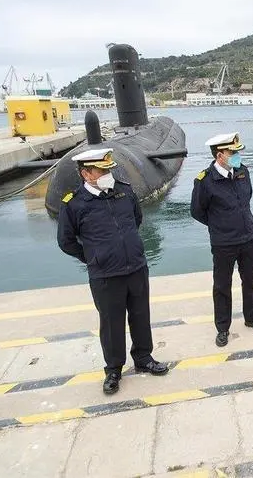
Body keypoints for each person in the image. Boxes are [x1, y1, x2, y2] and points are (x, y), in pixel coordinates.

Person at [57, 148, 168, 395]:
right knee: (111, 323)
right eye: (102, 170)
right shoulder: (74, 204)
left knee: (140, 315)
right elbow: (66, 241)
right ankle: (114, 369)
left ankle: (143, 357)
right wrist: (92, 257)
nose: (109, 173)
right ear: (86, 173)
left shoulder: (124, 191)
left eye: (109, 168)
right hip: (105, 275)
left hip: (136, 267)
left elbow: (136, 220)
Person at [190, 132, 253, 348]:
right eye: (232, 152)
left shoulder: (243, 172)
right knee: (222, 286)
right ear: (220, 156)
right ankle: (223, 328)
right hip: (223, 243)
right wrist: (220, 225)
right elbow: (197, 211)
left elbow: (247, 198)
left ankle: (252, 317)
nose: (237, 156)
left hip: (247, 238)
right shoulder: (204, 181)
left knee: (250, 280)